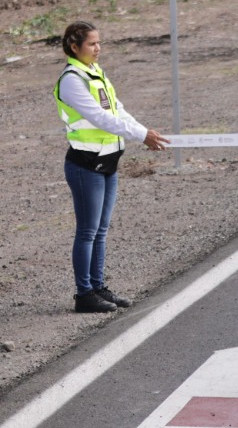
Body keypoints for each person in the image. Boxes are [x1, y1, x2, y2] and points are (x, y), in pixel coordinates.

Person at [53, 21, 168, 313]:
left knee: (101, 231)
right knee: (87, 232)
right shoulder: (71, 80)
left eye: (99, 43)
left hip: (108, 162)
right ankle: (84, 295)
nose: (98, 48)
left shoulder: (96, 74)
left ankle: (98, 286)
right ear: (74, 47)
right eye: (92, 44)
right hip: (85, 164)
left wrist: (143, 132)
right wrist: (142, 135)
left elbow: (118, 110)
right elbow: (98, 118)